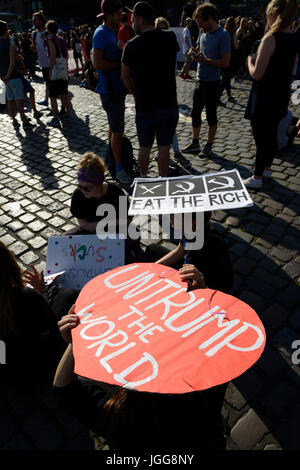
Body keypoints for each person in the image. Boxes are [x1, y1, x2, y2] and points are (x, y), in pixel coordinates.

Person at [53, 306, 227, 450]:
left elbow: (63, 389)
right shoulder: (206, 386)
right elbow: (223, 341)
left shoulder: (118, 413)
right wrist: (204, 304)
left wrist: (74, 342)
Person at [243, 0, 298, 189]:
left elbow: (257, 74)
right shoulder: (294, 38)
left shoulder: (270, 38)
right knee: (271, 133)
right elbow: (292, 71)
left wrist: (249, 61)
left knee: (261, 136)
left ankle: (257, 177)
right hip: (281, 94)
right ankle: (266, 168)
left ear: (273, 13)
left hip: (264, 94)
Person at [121, 1, 179, 177]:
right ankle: (162, 181)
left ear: (139, 19)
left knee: (144, 148)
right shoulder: (169, 37)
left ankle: (144, 180)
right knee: (164, 148)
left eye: (133, 19)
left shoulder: (131, 45)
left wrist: (135, 93)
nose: (132, 23)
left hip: (145, 105)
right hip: (168, 102)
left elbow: (124, 76)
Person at [0, 242, 65, 385]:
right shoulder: (24, 298)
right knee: (66, 296)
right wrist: (42, 292)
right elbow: (49, 329)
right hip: (37, 369)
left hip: (8, 376)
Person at [67, 152, 145, 264]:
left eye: (87, 188)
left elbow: (128, 219)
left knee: (134, 233)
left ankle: (125, 251)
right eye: (79, 186)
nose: (82, 191)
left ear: (99, 183)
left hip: (114, 230)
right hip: (92, 232)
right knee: (66, 238)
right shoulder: (78, 195)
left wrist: (102, 226)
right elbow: (84, 224)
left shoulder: (116, 191)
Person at [182, 3, 231, 157]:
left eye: (201, 22)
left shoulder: (223, 35)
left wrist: (205, 60)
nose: (200, 26)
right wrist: (193, 51)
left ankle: (209, 145)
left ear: (210, 18)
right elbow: (198, 49)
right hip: (199, 80)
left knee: (211, 115)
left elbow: (226, 62)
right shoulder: (203, 33)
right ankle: (195, 143)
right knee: (195, 114)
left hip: (213, 82)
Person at [91, 0, 132, 185]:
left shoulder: (109, 32)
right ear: (109, 15)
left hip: (114, 89)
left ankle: (111, 160)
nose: (120, 18)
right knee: (117, 130)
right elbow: (98, 63)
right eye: (118, 14)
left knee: (113, 126)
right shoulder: (101, 33)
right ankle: (119, 168)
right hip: (109, 90)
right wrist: (121, 65)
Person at [145, 211, 234, 295]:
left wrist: (198, 287)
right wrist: (149, 268)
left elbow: (213, 286)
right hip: (188, 269)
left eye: (175, 215)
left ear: (193, 221)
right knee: (152, 249)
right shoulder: (190, 230)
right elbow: (179, 252)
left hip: (205, 284)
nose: (170, 216)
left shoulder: (208, 247)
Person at [0, 20, 34, 129]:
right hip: (13, 76)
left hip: (5, 78)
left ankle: (14, 121)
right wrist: (8, 76)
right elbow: (12, 62)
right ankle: (24, 121)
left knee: (10, 100)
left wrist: (3, 77)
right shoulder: (10, 45)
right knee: (19, 100)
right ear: (5, 30)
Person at [46, 19, 72, 127]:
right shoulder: (61, 39)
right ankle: (69, 114)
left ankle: (56, 118)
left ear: (48, 29)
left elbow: (52, 58)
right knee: (64, 94)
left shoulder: (51, 40)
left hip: (55, 71)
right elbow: (66, 55)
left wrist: (50, 72)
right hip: (63, 70)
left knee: (53, 96)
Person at [32, 10, 50, 107]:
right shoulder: (34, 34)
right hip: (43, 63)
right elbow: (36, 49)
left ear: (41, 21)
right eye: (33, 20)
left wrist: (46, 39)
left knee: (55, 85)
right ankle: (46, 100)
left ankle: (64, 107)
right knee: (47, 82)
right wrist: (34, 49)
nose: (33, 22)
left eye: (35, 20)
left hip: (52, 62)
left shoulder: (48, 32)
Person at [218, 16, 239, 103]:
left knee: (226, 77)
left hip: (222, 56)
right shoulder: (232, 33)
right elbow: (236, 46)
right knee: (226, 78)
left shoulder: (223, 31)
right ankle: (218, 97)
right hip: (230, 57)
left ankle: (229, 95)